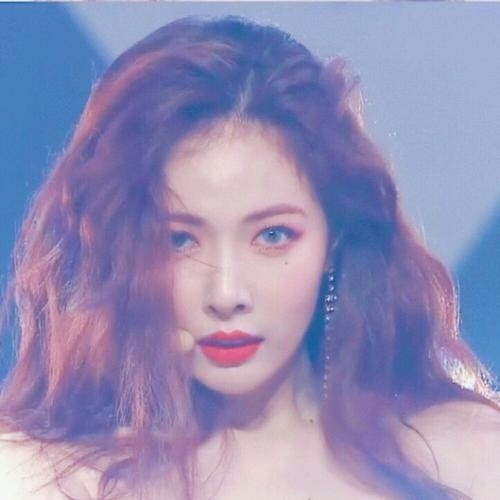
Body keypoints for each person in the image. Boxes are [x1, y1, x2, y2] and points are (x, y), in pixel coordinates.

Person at [0, 15, 499, 500]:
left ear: (334, 241)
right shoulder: (46, 475)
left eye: (273, 236)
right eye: (179, 241)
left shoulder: (464, 458)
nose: (226, 294)